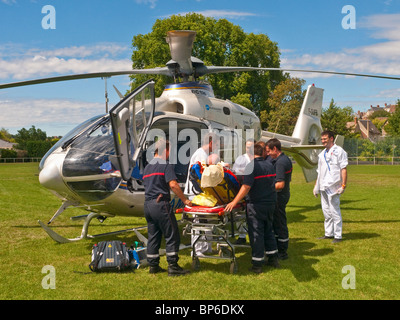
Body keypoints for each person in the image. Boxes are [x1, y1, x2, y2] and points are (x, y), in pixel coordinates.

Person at [225, 142, 279, 274]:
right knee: (268, 230)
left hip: (257, 204)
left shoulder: (251, 166)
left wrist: (234, 202)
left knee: (256, 233)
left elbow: (246, 187)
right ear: (263, 152)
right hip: (271, 203)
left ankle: (257, 264)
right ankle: (273, 258)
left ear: (251, 153)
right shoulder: (270, 165)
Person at [143, 139, 192, 276]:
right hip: (161, 204)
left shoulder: (147, 167)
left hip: (148, 205)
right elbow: (173, 185)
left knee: (153, 235)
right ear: (166, 150)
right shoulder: (165, 165)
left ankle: (153, 266)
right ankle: (173, 266)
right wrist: (184, 200)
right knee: (172, 233)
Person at [184, 132, 219, 256]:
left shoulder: (203, 154)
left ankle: (207, 248)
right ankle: (198, 249)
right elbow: (201, 174)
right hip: (195, 192)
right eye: (216, 144)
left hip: (201, 192)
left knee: (206, 220)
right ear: (210, 142)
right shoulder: (200, 155)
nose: (216, 147)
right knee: (199, 220)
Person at [313, 130, 348, 244]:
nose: (323, 141)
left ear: (331, 138)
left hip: (334, 186)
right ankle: (328, 233)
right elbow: (319, 171)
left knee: (334, 210)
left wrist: (343, 185)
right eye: (322, 139)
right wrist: (316, 186)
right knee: (326, 211)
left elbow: (343, 168)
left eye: (325, 139)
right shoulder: (322, 153)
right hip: (323, 185)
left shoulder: (339, 151)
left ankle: (338, 235)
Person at [266, 138, 292, 260]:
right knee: (277, 222)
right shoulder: (282, 159)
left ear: (275, 149)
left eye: (269, 151)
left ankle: (282, 251)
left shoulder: (281, 163)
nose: (268, 154)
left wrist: (264, 189)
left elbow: (280, 184)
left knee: (280, 223)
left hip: (279, 196)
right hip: (282, 195)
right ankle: (278, 246)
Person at [231, 138, 255, 244]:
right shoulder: (241, 159)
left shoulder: (257, 158)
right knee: (240, 214)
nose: (249, 148)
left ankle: (254, 235)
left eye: (251, 146)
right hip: (243, 188)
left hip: (255, 190)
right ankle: (241, 236)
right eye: (247, 146)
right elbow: (235, 172)